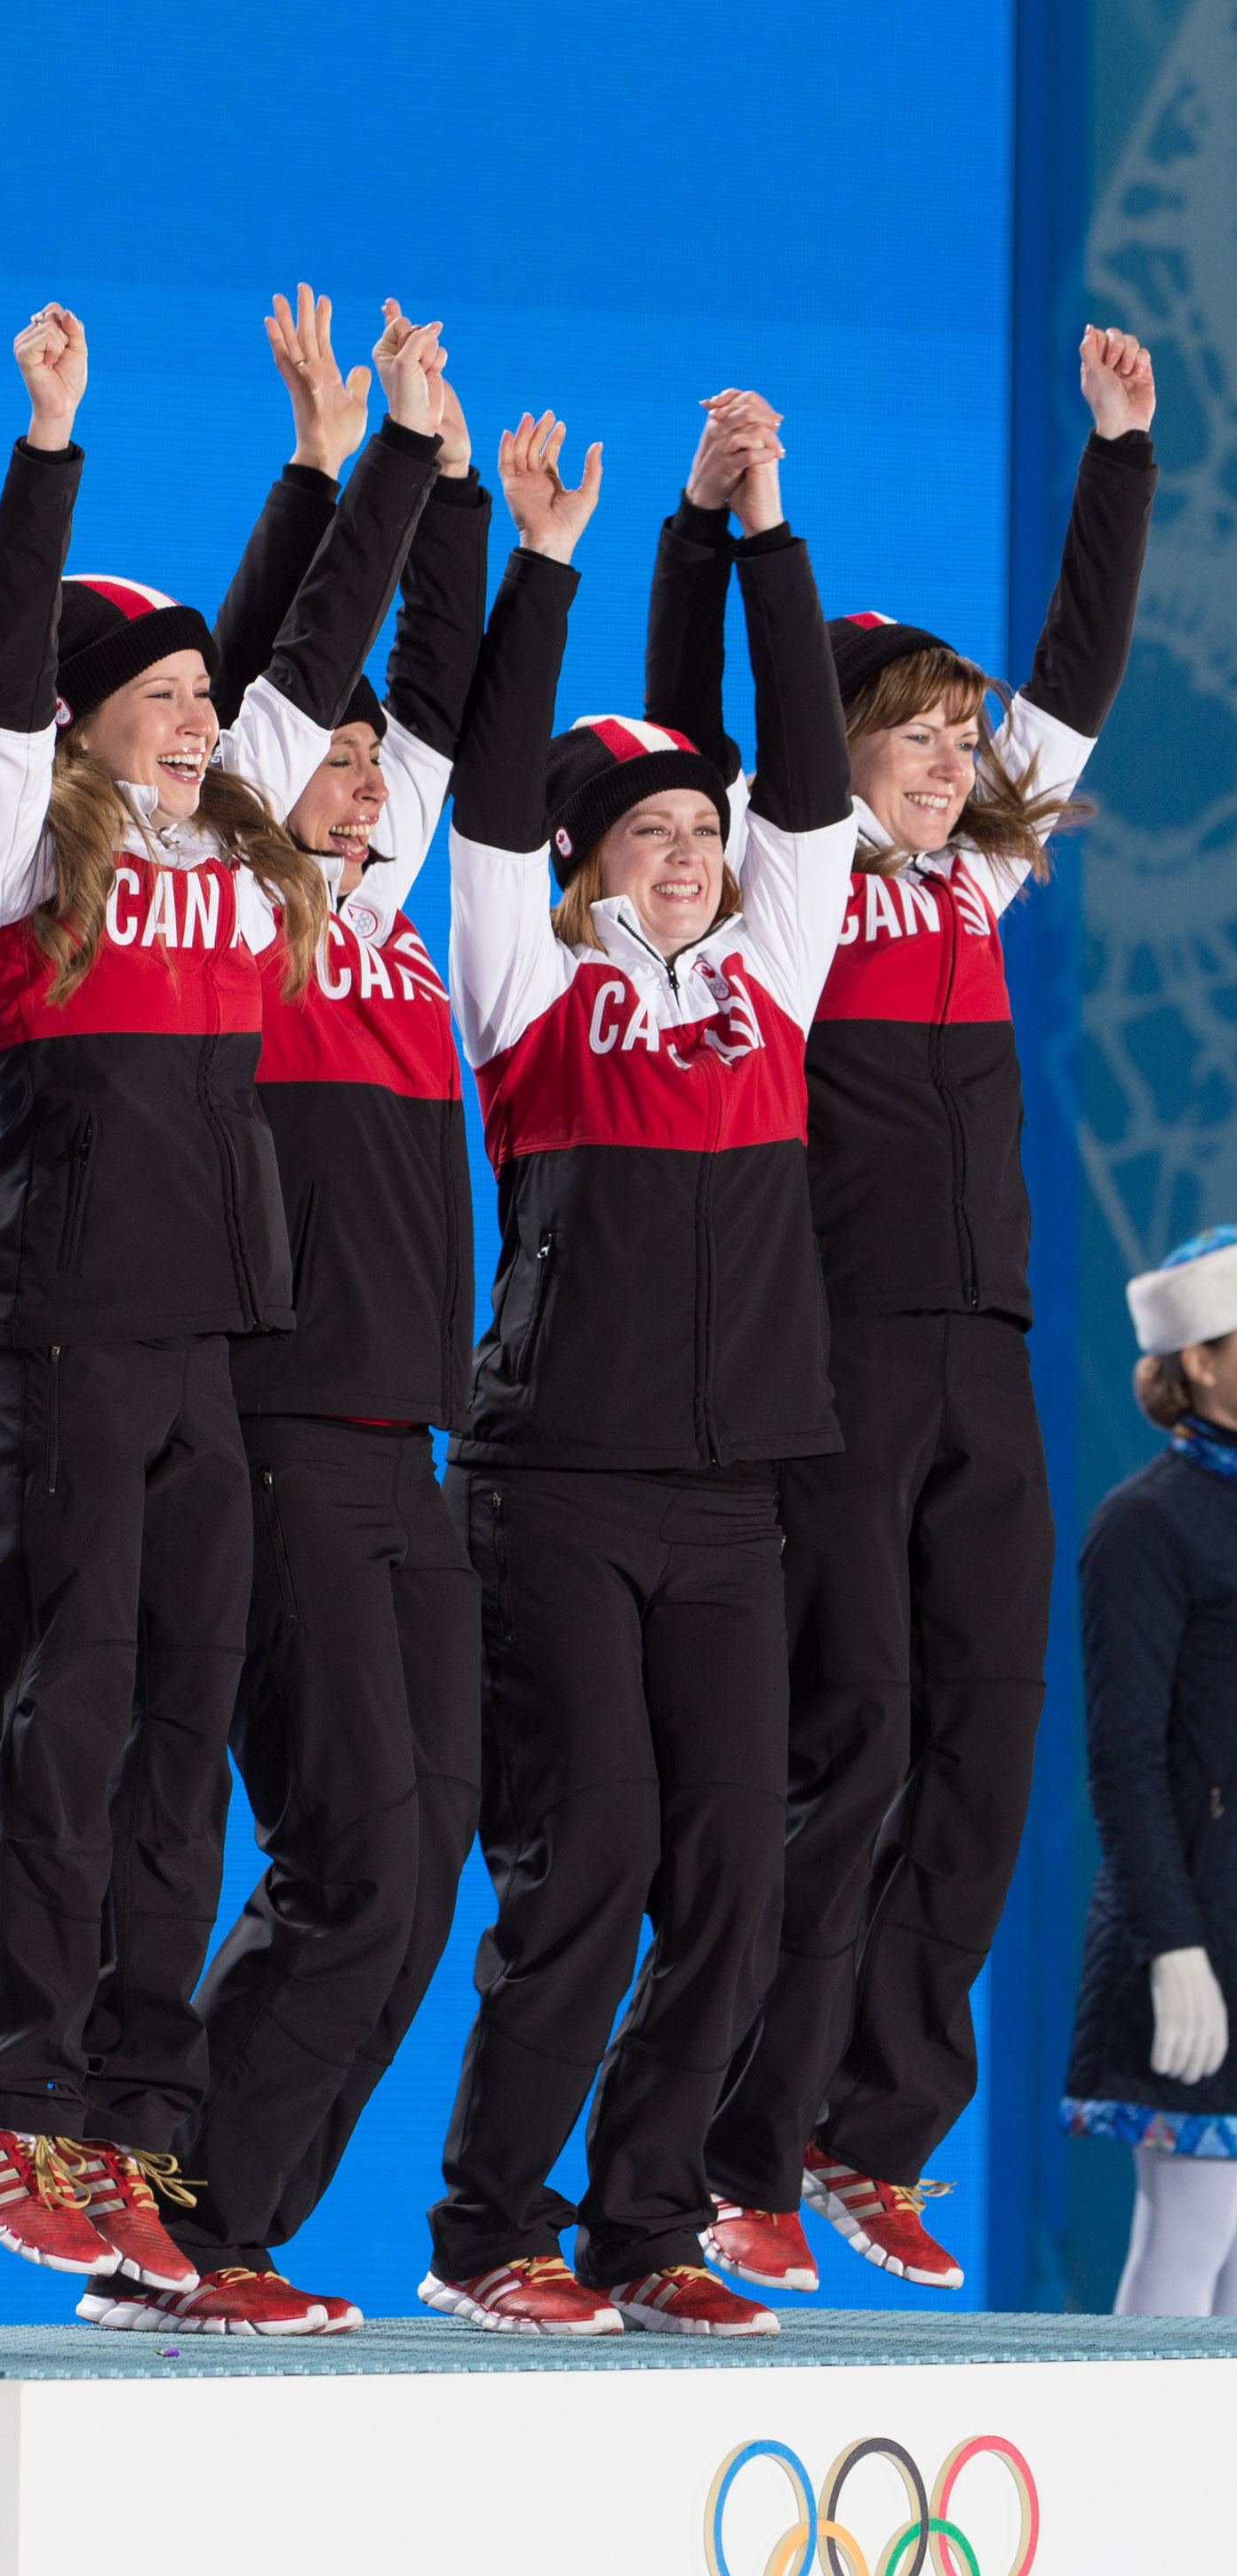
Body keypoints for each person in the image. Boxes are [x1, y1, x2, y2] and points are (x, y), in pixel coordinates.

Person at [0, 298, 448, 2302]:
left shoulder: (241, 862)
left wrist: (362, 459)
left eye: (208, 697)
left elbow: (300, 662)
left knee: (179, 1735)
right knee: (66, 1714)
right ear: (90, 714)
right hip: (56, 1333)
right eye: (167, 694)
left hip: (209, 1350)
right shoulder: (11, 856)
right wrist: (47, 446)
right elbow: (1, 675)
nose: (207, 716)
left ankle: (128, 2122)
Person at [695, 329, 1159, 2296]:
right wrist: (743, 535)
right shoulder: (779, 878)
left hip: (989, 1354)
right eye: (923, 729)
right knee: (852, 1737)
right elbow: (759, 728)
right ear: (843, 741)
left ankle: (872, 2130)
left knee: (983, 1747)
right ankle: (744, 2138)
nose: (962, 755)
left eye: (967, 737)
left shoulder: (974, 883)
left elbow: (1074, 683)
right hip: (847, 1348)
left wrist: (1121, 461)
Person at [422, 391, 857, 2336]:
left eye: (705, 833)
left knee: (736, 1886)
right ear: (591, 865)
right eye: (653, 838)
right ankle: (488, 2228)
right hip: (559, 1486)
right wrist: (547, 564)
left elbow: (818, 792)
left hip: (734, 1493)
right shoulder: (522, 986)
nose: (689, 862)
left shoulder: (772, 980)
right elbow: (494, 803)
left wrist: (765, 533)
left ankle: (644, 2225)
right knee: (586, 1860)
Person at [85, 292, 489, 2336]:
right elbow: (294, 678)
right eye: (313, 761)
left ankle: (227, 2228)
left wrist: (451, 471)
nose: (350, 780)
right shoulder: (222, 915)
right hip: (274, 1444)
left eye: (366, 773)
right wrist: (350, 471)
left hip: (407, 1458)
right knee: (350, 1854)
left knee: (416, 1876)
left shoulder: (398, 923)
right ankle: (186, 2226)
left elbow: (418, 683)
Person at [1062, 1228, 1237, 2314]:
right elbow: (1121, 1761)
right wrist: (1172, 1946)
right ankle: (1137, 2476)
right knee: (1191, 2231)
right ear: (1202, 1361)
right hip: (1194, 1928)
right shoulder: (1142, 1526)